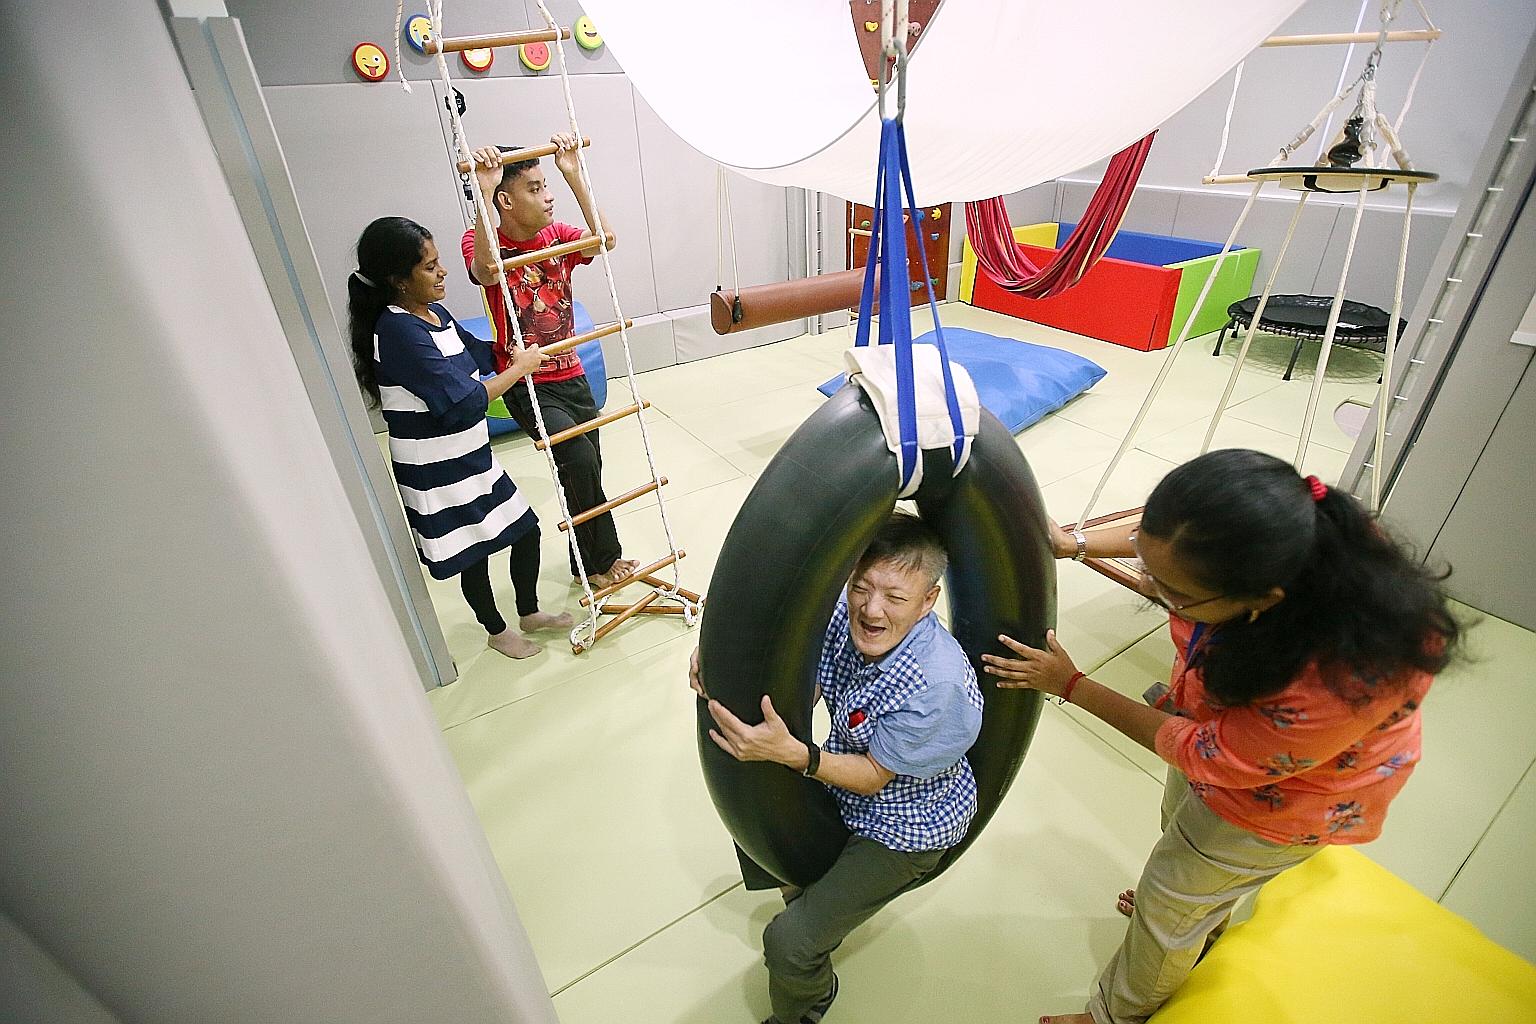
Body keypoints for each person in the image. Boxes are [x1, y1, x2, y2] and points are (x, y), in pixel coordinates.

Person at [980, 449, 1460, 1024]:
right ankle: (1198, 917)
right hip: (1230, 738)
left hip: (1283, 802)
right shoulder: (1281, 537)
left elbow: (1208, 754)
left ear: (1260, 600)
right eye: (1148, 567)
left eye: (1172, 592)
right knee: (1183, 839)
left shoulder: (1334, 682)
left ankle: (1119, 1013)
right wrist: (1074, 543)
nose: (1152, 587)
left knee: (1174, 892)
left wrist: (1073, 684)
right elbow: (1163, 543)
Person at [692, 512, 984, 1024]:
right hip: (846, 788)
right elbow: (790, 662)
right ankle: (809, 899)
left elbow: (874, 775)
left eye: (895, 598)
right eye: (862, 587)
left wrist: (797, 755)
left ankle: (805, 1005)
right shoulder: (843, 612)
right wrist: (714, 657)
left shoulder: (937, 686)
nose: (872, 610)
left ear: (928, 601)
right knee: (758, 816)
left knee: (787, 943)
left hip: (905, 825)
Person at [348, 216, 573, 659]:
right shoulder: (395, 331)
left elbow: (475, 351)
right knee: (475, 550)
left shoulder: (433, 314)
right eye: (429, 267)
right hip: (435, 466)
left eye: (438, 261)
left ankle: (527, 612)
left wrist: (508, 346)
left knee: (525, 530)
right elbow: (464, 401)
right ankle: (496, 630)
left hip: (470, 454)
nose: (442, 271)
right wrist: (518, 370)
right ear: (398, 280)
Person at [462, 132, 638, 591]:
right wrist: (481, 191)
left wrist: (573, 173)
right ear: (505, 201)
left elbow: (605, 240)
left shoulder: (555, 236)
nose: (548, 196)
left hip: (572, 372)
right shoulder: (482, 240)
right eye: (535, 188)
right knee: (577, 459)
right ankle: (602, 561)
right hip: (528, 382)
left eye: (546, 186)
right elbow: (484, 270)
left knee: (588, 466)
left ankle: (588, 563)